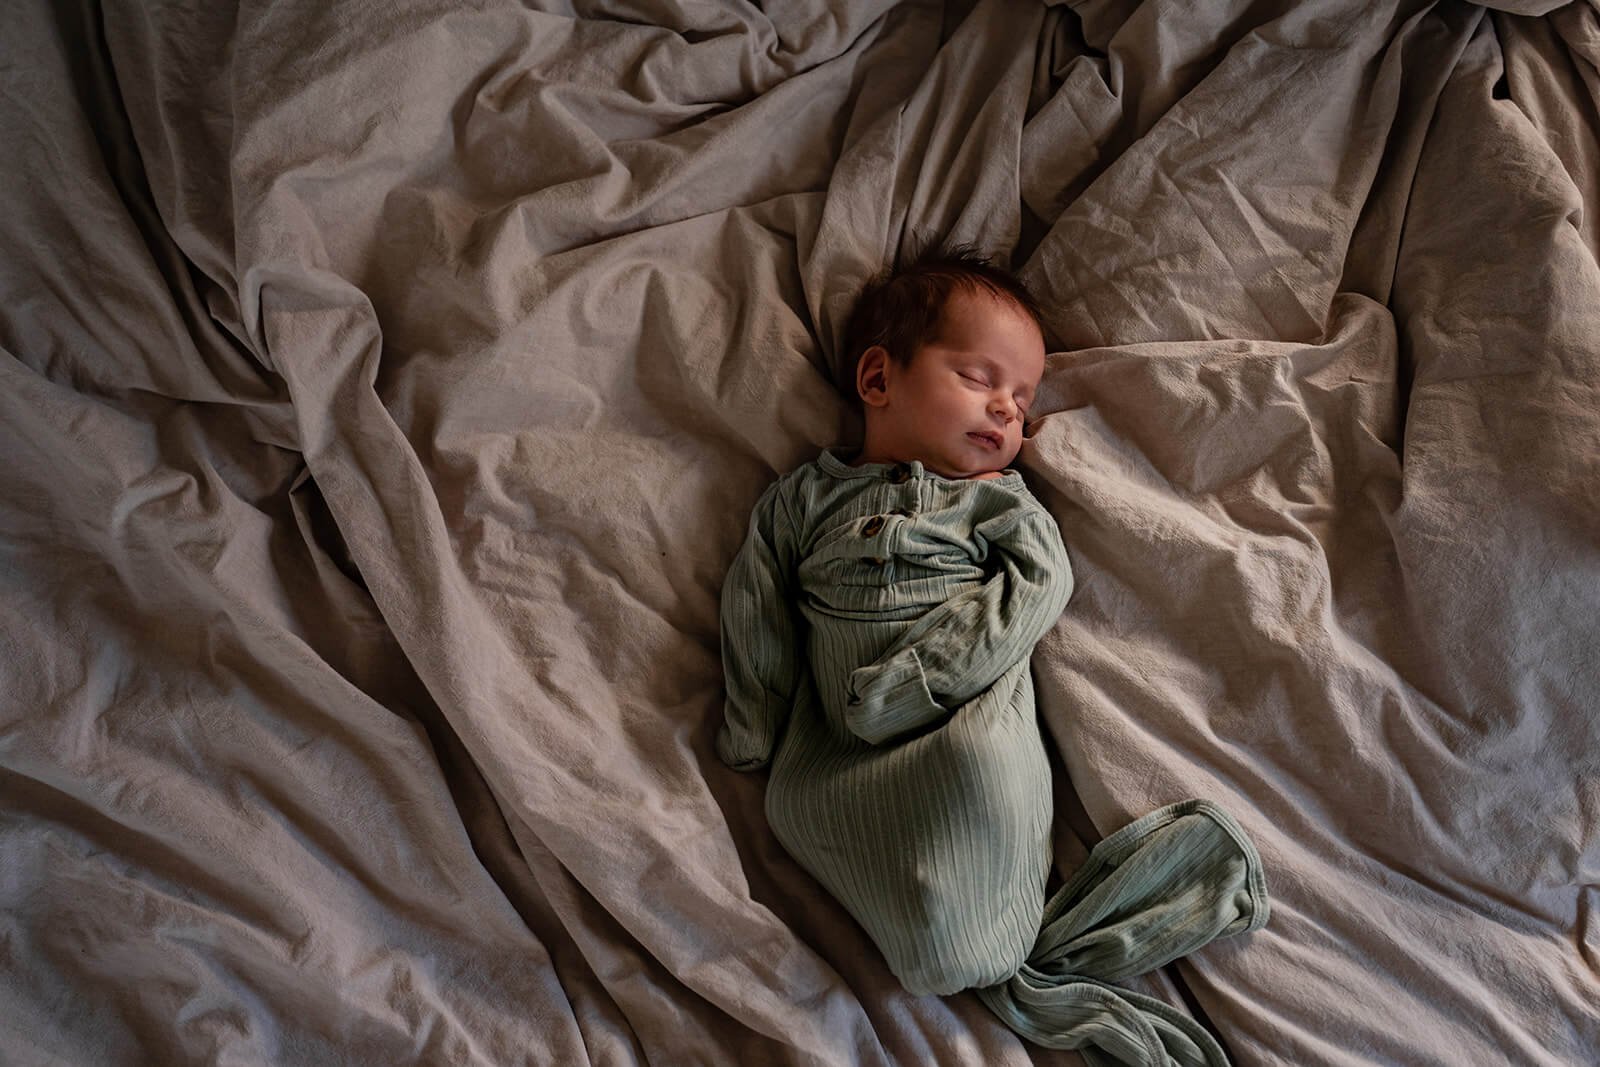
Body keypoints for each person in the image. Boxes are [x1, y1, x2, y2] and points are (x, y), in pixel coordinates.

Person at [717, 246, 1269, 1067]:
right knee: (793, 805)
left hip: (958, 717)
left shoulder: (996, 501)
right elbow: (755, 605)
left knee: (982, 766)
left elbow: (1041, 585)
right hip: (837, 748)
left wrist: (926, 678)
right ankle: (986, 953)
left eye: (1023, 399)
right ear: (878, 380)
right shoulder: (803, 499)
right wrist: (753, 718)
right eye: (982, 379)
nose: (1009, 412)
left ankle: (988, 948)